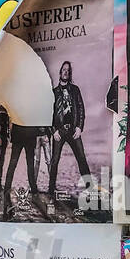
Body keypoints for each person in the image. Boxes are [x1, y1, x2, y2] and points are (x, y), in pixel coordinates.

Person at [47, 61, 90, 209]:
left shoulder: (75, 90)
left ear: (70, 73)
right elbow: (49, 114)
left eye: (68, 70)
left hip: (73, 130)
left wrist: (79, 127)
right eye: (63, 70)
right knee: (54, 161)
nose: (65, 72)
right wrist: (54, 131)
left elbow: (81, 109)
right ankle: (50, 192)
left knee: (82, 159)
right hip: (60, 130)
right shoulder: (54, 93)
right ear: (60, 72)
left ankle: (90, 190)